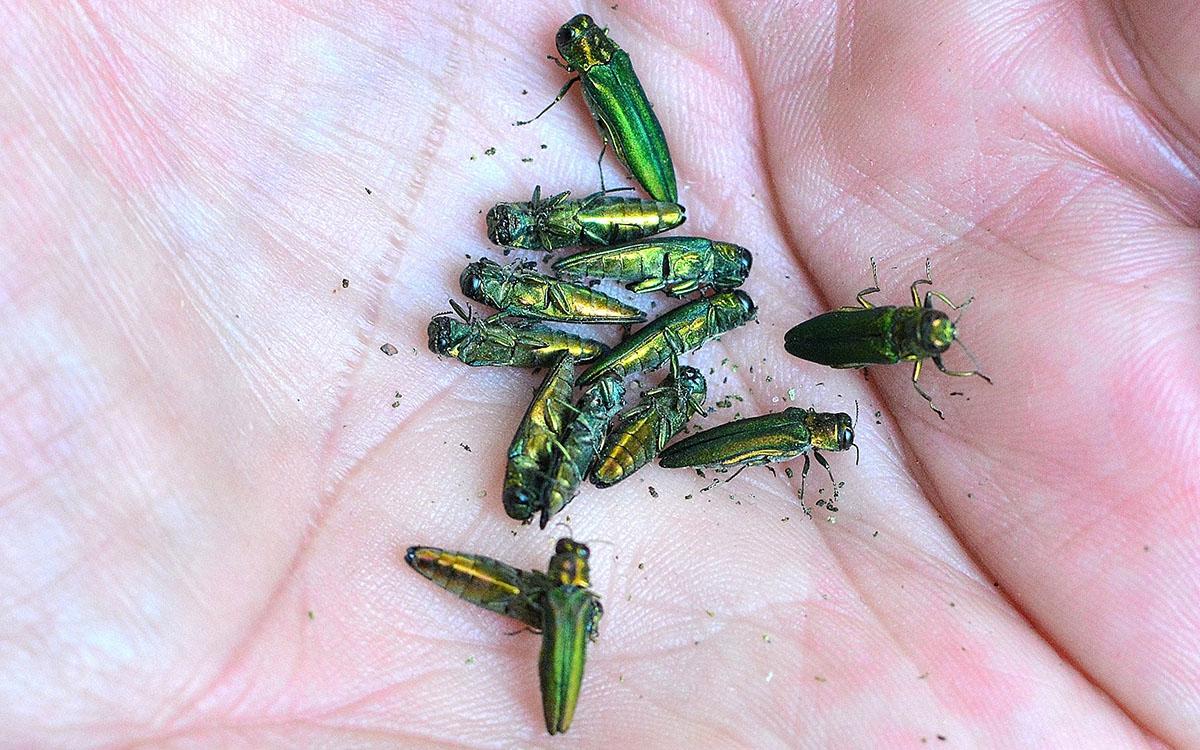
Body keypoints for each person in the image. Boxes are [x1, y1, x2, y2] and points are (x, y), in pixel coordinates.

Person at [2, 1, 1196, 745]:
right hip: (614, 338)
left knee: (614, 364)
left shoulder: (657, 328)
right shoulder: (639, 317)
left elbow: (652, 332)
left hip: (625, 343)